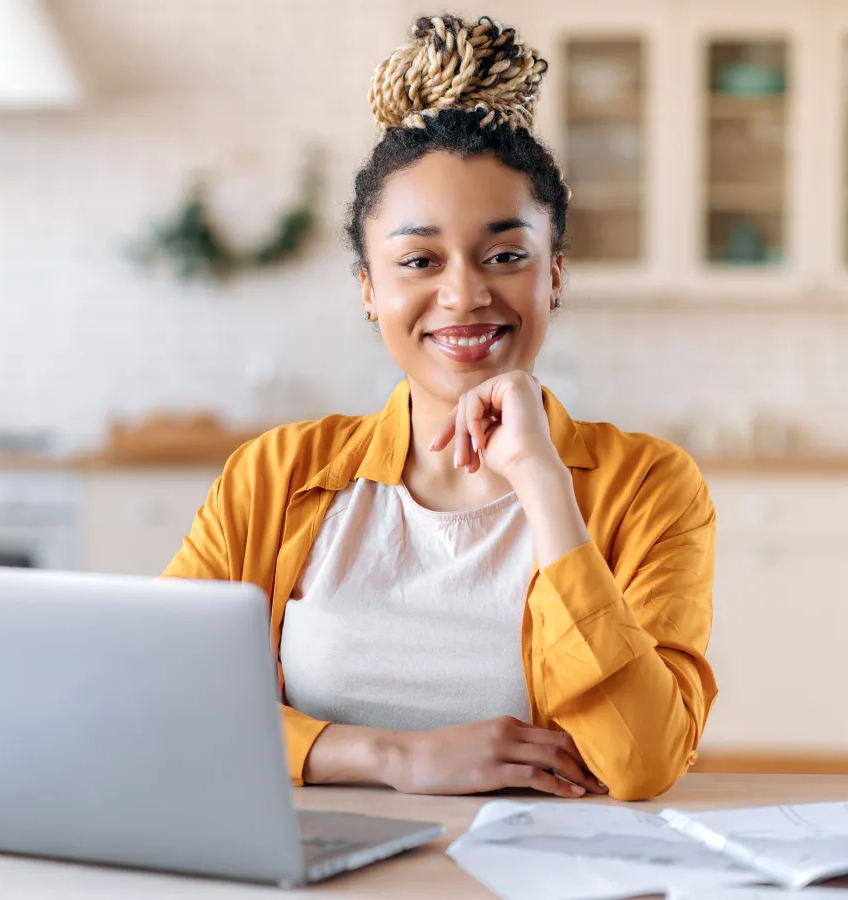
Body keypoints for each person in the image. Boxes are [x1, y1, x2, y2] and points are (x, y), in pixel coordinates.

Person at [165, 13, 716, 802]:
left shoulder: (652, 486)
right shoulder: (275, 475)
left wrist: (545, 488)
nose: (464, 294)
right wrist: (391, 756)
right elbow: (168, 702)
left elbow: (642, 760)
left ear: (553, 276)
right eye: (419, 260)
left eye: (506, 256)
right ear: (368, 290)